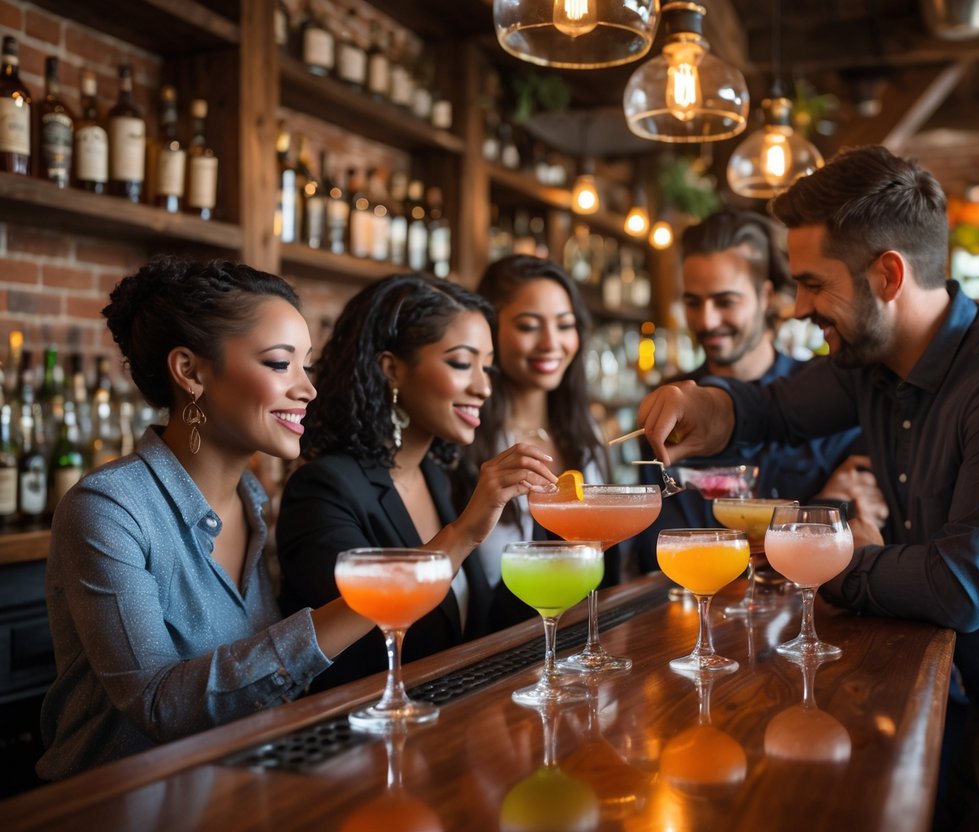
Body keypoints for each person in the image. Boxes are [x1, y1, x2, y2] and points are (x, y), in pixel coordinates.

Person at [636, 146, 979, 830]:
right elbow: (771, 409)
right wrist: (705, 403)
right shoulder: (874, 364)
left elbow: (959, 587)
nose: (796, 306)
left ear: (887, 274)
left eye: (812, 284)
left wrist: (823, 555)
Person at [37, 257, 376, 780]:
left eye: (306, 365)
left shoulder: (252, 502)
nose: (307, 388)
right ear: (190, 371)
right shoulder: (107, 509)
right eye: (280, 364)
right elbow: (158, 706)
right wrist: (372, 601)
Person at [276, 273, 557, 691]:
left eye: (487, 367)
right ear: (391, 369)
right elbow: (361, 642)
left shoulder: (436, 478)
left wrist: (558, 534)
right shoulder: (323, 490)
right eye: (462, 364)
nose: (483, 387)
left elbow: (474, 630)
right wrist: (464, 534)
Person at [632, 208, 880, 574]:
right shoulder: (670, 409)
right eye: (693, 302)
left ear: (765, 295)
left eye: (725, 301)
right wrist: (822, 504)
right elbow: (660, 547)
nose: (707, 320)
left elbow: (860, 528)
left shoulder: (829, 397)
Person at [468, 255, 613, 598]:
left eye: (564, 325)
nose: (551, 343)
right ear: (489, 330)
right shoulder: (467, 439)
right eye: (529, 326)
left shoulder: (586, 431)